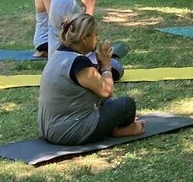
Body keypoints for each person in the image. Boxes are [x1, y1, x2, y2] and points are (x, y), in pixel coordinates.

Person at [38, 13, 144, 145]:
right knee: (126, 105)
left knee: (108, 101)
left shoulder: (59, 54)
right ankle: (125, 129)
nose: (97, 38)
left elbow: (100, 94)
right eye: (95, 35)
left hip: (50, 128)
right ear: (84, 38)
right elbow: (107, 90)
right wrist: (106, 66)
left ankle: (118, 125)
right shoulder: (79, 63)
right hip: (67, 132)